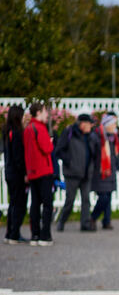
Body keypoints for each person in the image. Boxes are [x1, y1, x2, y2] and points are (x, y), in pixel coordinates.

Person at [55, 113, 99, 232]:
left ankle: (85, 224)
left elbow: (95, 152)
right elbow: (58, 150)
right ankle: (62, 221)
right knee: (70, 200)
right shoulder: (69, 133)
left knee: (86, 200)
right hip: (72, 173)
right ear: (83, 124)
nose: (91, 126)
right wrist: (69, 161)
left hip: (86, 173)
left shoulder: (90, 136)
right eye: (89, 124)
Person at [23, 103, 55, 246]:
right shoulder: (39, 128)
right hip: (43, 170)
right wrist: (50, 142)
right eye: (45, 112)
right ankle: (45, 235)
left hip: (32, 171)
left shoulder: (28, 129)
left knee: (35, 203)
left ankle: (35, 234)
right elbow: (47, 148)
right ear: (39, 112)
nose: (47, 115)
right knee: (47, 204)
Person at [90, 114, 119, 231]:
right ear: (107, 125)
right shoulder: (97, 137)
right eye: (113, 124)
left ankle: (106, 221)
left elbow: (116, 156)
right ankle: (93, 218)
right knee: (103, 197)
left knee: (108, 197)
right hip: (101, 171)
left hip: (111, 171)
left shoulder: (114, 138)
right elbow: (92, 155)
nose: (115, 126)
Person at [3, 104, 29, 245]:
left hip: (9, 171)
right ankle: (15, 233)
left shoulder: (7, 131)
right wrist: (25, 173)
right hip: (17, 173)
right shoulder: (17, 133)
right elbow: (18, 156)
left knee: (13, 203)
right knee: (19, 204)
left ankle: (9, 232)